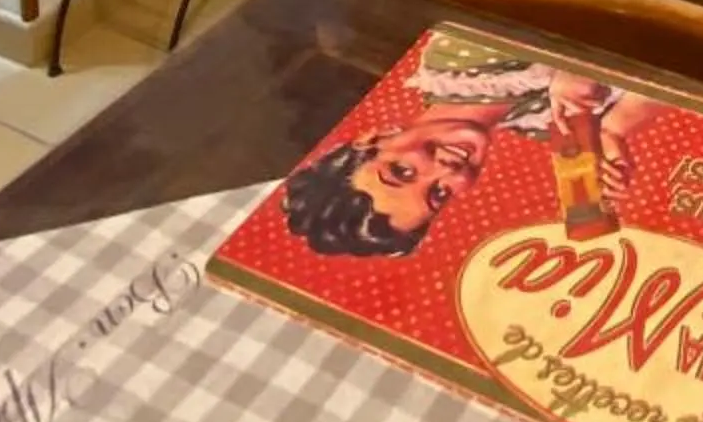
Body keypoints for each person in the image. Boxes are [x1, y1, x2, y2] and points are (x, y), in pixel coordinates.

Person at [280, 31, 661, 257]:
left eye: (402, 171)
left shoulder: (452, 59)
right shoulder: (543, 128)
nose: (445, 171)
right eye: (439, 194)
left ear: (375, 138)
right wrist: (617, 127)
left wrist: (574, 62)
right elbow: (669, 79)